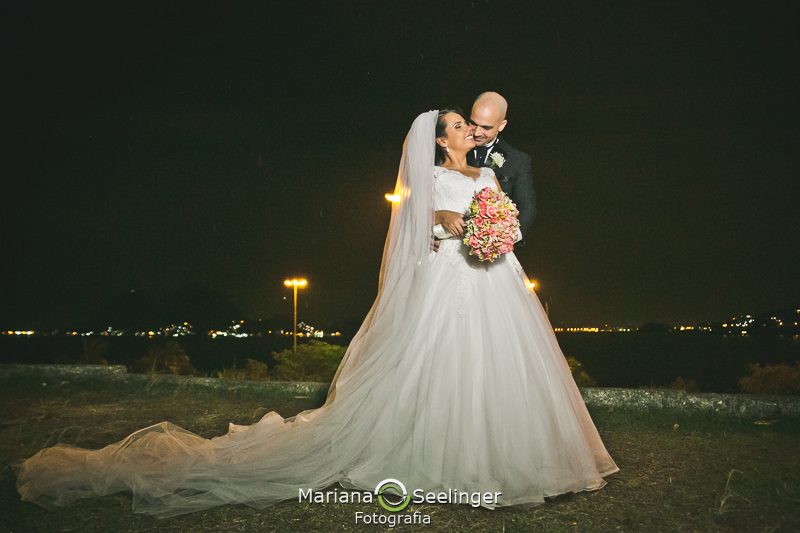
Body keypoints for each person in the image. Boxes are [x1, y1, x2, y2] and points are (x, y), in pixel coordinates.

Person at [14, 110, 618, 519]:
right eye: (459, 124)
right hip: (451, 283)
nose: (468, 128)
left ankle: (514, 454)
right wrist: (445, 221)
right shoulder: (429, 177)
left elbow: (506, 212)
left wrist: (496, 231)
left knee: (501, 369)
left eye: (469, 123)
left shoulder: (487, 170)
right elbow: (416, 224)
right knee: (442, 369)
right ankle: (440, 458)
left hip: (496, 282)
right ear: (440, 139)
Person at [438, 92, 536, 245]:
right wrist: (430, 235)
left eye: (486, 127)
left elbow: (526, 209)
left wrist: (501, 240)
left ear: (501, 125)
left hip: (495, 252)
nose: (476, 132)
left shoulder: (518, 161)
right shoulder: (448, 149)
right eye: (473, 123)